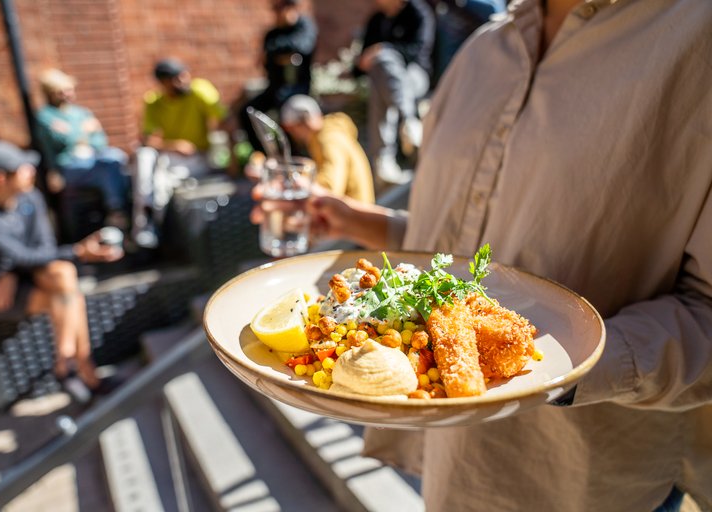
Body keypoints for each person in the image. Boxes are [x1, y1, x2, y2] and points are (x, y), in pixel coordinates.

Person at [253, 0, 712, 509]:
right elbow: (466, 245)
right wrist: (353, 221)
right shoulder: (481, 51)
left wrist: (553, 368)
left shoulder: (698, 39)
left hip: (586, 479)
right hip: (454, 468)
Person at [0, 140, 123, 402]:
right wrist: (80, 252)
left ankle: (65, 365)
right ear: (1, 178)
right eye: (22, 168)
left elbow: (42, 248)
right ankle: (86, 372)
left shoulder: (31, 198)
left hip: (25, 273)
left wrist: (11, 269)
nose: (31, 171)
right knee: (70, 295)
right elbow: (19, 255)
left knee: (64, 274)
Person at [134, 58, 226, 247]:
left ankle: (149, 226)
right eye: (176, 79)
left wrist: (230, 159)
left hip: (197, 157)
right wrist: (174, 145)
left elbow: (224, 120)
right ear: (163, 83)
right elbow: (147, 139)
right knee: (145, 157)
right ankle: (149, 224)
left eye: (184, 75)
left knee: (161, 180)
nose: (183, 81)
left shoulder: (199, 90)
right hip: (170, 156)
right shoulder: (154, 102)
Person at [35, 68, 130, 229]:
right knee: (105, 169)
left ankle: (120, 208)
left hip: (93, 158)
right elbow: (56, 145)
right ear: (50, 93)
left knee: (115, 157)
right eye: (61, 92)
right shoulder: (45, 116)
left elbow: (101, 141)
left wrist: (73, 134)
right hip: (68, 165)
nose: (68, 94)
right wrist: (84, 131)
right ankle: (116, 210)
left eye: (69, 90)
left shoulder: (81, 112)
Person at [354, 0, 435, 186]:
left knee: (383, 65)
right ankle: (408, 121)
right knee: (381, 78)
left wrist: (384, 49)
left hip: (415, 75)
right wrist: (366, 60)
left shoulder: (418, 13)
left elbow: (417, 52)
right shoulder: (376, 20)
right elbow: (362, 62)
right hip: (386, 83)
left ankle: (382, 158)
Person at [239, 0, 317, 152]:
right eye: (276, 8)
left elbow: (301, 46)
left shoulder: (305, 27)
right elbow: (265, 59)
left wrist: (276, 52)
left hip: (298, 89)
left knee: (288, 115)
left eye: (283, 7)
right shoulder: (272, 34)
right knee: (248, 112)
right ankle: (266, 154)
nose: (279, 13)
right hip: (275, 89)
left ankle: (293, 157)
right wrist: (282, 54)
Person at [279, 95, 375, 204]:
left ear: (299, 124)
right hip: (351, 214)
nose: (294, 135)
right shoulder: (326, 134)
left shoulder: (328, 139)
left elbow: (330, 189)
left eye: (291, 129)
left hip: (352, 218)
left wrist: (299, 181)